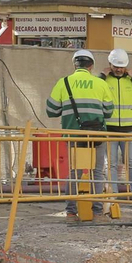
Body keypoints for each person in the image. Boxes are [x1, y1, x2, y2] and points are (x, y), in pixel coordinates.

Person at [45, 50, 114, 217]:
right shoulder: (100, 83)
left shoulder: (64, 82)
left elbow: (51, 110)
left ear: (74, 65)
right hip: (97, 136)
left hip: (73, 134)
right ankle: (97, 211)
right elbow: (109, 111)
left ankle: (71, 211)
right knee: (96, 172)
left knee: (74, 172)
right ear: (91, 66)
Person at [98, 49, 132, 214]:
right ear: (110, 65)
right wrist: (102, 75)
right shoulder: (104, 81)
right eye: (116, 66)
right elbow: (93, 91)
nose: (118, 69)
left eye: (121, 67)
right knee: (112, 164)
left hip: (129, 130)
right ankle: (114, 196)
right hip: (110, 129)